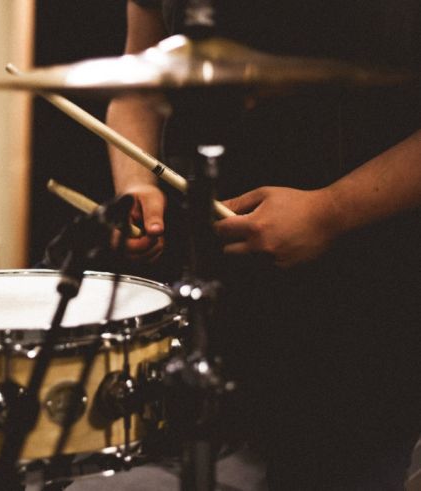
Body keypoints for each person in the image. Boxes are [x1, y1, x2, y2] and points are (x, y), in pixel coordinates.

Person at [93, 1, 421, 489]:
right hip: (225, 277)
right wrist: (136, 185)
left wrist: (331, 211)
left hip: (376, 286)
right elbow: (137, 90)